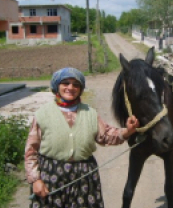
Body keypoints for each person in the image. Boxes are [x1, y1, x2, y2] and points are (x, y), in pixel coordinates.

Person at [25, 67, 139, 208]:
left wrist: (128, 131)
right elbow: (31, 151)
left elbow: (106, 135)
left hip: (85, 178)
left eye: (76, 84)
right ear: (56, 86)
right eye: (65, 83)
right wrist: (36, 180)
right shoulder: (42, 114)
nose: (70, 87)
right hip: (51, 177)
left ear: (80, 89)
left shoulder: (90, 113)